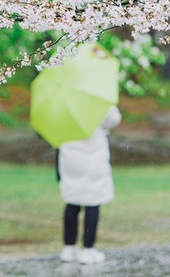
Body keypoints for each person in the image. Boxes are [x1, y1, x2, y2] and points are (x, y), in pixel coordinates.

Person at [57, 105, 121, 264]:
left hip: (69, 155)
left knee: (72, 202)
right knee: (92, 203)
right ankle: (88, 249)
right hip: (92, 156)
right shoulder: (96, 101)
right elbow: (114, 119)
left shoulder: (65, 102)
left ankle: (69, 248)